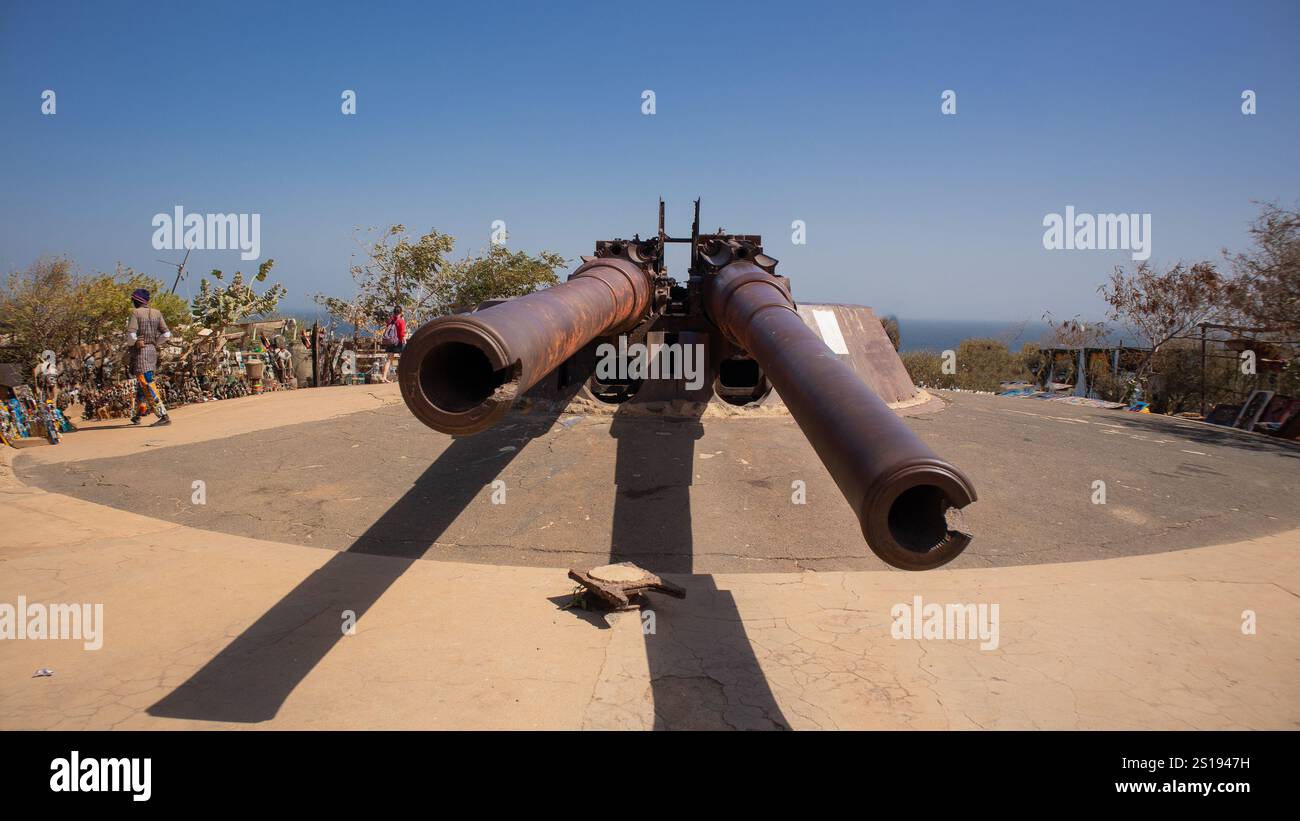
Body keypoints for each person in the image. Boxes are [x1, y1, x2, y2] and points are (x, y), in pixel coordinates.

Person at [126, 288, 172, 426]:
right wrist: (154, 343)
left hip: (141, 353)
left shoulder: (135, 313)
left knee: (146, 384)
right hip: (152, 352)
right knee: (144, 383)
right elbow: (166, 334)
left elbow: (131, 336)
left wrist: (134, 343)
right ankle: (138, 414)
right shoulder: (157, 313)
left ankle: (163, 415)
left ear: (135, 300)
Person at [379, 305, 406, 383]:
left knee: (389, 360)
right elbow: (401, 333)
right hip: (399, 342)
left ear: (394, 312)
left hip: (390, 342)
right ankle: (401, 377)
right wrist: (404, 341)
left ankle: (383, 377)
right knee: (404, 359)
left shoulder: (390, 320)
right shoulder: (401, 321)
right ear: (401, 312)